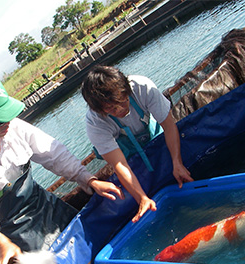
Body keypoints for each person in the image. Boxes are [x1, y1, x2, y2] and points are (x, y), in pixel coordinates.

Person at [0, 76, 123, 264]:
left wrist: (89, 179)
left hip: (50, 209)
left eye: (8, 115)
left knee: (97, 255)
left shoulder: (13, 128)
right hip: (18, 236)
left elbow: (54, 153)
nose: (7, 124)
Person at [82, 65, 193, 223]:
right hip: (126, 151)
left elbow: (168, 126)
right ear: (99, 110)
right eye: (111, 108)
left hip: (152, 132)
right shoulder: (95, 122)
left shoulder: (142, 87)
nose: (119, 109)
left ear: (126, 89)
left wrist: (177, 162)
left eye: (122, 101)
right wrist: (141, 198)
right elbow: (119, 163)